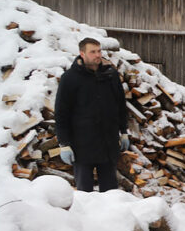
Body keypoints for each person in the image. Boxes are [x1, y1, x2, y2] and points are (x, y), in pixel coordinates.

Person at [55, 38, 129, 192]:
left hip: (108, 144)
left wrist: (123, 132)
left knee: (111, 194)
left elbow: (121, 106)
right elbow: (62, 114)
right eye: (93, 52)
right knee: (84, 195)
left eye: (99, 51)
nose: (98, 55)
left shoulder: (110, 75)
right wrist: (64, 144)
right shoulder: (70, 78)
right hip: (82, 146)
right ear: (82, 54)